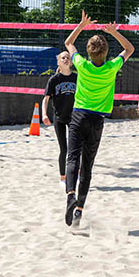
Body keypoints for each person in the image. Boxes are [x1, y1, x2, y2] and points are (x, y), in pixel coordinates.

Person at [63, 10, 134, 227]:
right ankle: (79, 211)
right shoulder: (112, 67)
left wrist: (81, 25)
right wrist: (114, 32)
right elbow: (129, 49)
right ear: (105, 53)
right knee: (88, 167)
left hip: (78, 116)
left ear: (89, 52)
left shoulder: (82, 65)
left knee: (72, 159)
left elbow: (68, 42)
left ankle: (70, 196)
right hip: (96, 121)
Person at [41, 51, 77, 188]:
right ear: (58, 62)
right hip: (59, 118)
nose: (66, 59)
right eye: (63, 58)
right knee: (64, 149)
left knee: (76, 149)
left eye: (68, 58)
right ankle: (63, 178)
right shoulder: (54, 80)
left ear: (71, 62)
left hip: (74, 118)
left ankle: (75, 175)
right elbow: (45, 99)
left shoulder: (76, 78)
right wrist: (44, 114)